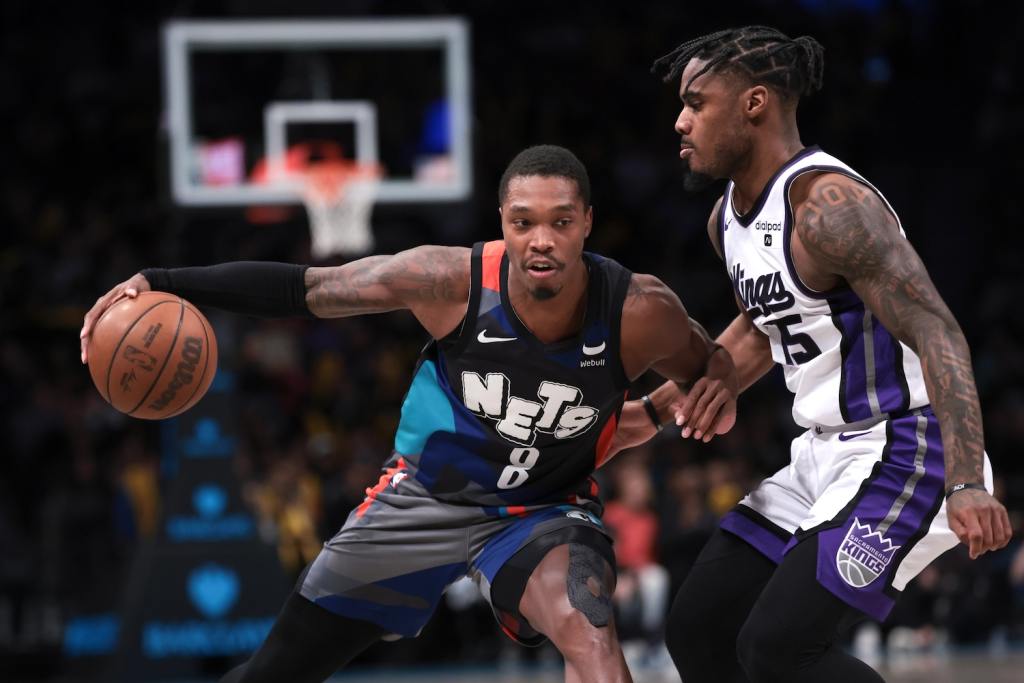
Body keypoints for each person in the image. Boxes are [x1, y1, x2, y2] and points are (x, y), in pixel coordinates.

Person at [80, 145, 738, 683]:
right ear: (502, 221)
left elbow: (712, 372)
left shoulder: (639, 311)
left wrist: (690, 402)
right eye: (523, 221)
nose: (541, 241)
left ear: (588, 222)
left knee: (590, 636)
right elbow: (306, 289)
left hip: (543, 511)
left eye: (561, 221)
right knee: (278, 670)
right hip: (424, 496)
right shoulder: (447, 281)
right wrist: (164, 280)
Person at [645, 26, 1013, 683]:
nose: (680, 121)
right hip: (822, 453)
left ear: (754, 103)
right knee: (700, 628)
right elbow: (769, 320)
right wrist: (717, 375)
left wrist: (964, 481)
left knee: (778, 649)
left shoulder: (828, 207)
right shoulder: (724, 217)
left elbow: (938, 332)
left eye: (696, 102)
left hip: (909, 446)